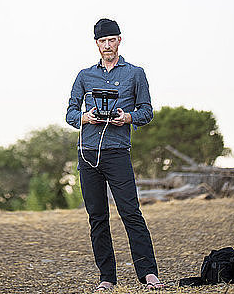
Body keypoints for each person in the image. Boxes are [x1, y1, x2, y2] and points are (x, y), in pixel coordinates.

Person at [66, 18, 166, 291]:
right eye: (102, 41)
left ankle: (148, 274)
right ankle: (107, 277)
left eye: (111, 40)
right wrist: (86, 117)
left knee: (131, 213)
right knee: (97, 218)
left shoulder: (135, 73)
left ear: (119, 40)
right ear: (96, 44)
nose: (107, 46)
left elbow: (147, 112)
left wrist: (128, 118)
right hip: (88, 154)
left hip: (117, 152)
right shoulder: (85, 75)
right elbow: (70, 113)